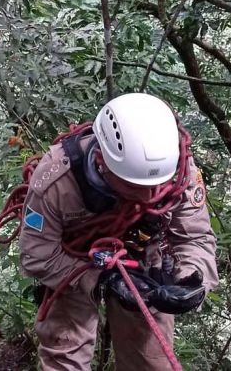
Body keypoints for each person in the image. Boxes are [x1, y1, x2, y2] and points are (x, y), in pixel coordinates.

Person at [17, 93, 218, 371]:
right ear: (101, 161)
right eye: (136, 186)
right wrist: (101, 280)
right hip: (70, 262)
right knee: (65, 357)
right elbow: (37, 255)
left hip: (143, 261)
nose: (151, 195)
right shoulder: (57, 180)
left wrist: (191, 279)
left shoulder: (180, 171)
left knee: (150, 363)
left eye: (159, 183)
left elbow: (195, 236)